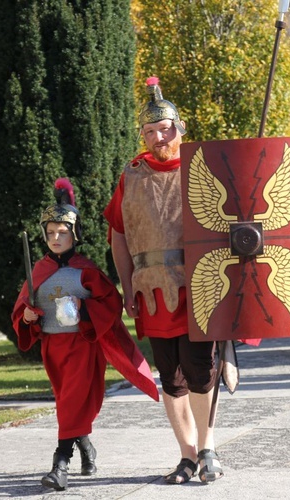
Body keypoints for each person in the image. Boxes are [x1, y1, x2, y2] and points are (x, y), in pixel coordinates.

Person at [103, 77, 223, 484]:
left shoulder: (203, 167)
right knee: (170, 377)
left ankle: (208, 448)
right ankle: (186, 456)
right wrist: (125, 285)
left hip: (199, 286)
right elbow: (119, 234)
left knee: (200, 370)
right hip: (151, 290)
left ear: (180, 127)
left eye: (166, 128)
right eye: (151, 131)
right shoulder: (131, 176)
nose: (159, 136)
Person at [12, 178, 159, 491]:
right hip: (52, 347)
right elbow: (23, 309)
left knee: (73, 401)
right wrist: (27, 317)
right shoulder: (37, 271)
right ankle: (86, 448)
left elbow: (111, 301)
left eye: (62, 233)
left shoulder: (85, 270)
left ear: (74, 234)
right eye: (50, 233)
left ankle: (60, 463)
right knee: (68, 402)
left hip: (81, 344)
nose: (55, 238)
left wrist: (84, 306)